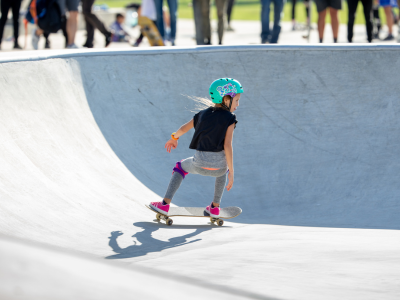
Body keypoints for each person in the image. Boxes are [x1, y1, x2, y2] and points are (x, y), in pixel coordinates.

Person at [149, 78, 243, 218]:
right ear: (227, 99)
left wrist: (173, 139)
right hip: (219, 170)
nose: (238, 104)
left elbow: (183, 128)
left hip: (198, 164)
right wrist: (231, 171)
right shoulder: (230, 118)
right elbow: (227, 145)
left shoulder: (202, 114)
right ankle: (215, 207)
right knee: (223, 169)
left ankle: (164, 204)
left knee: (180, 166)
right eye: (236, 100)